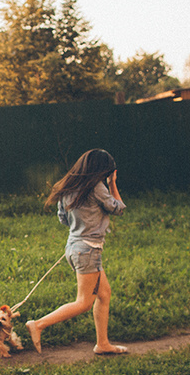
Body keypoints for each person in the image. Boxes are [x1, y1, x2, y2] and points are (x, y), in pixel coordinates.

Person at [26, 149, 128, 356]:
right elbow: (118, 208)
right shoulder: (97, 187)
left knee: (104, 294)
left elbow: (63, 219)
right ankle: (38, 324)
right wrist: (112, 183)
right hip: (88, 250)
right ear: (102, 170)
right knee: (83, 302)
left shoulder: (67, 187)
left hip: (74, 247)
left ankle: (103, 344)